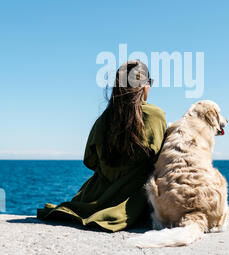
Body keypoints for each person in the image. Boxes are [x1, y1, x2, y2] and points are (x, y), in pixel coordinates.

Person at [37, 60, 167, 232]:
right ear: (143, 85)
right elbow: (163, 160)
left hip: (94, 196)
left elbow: (90, 161)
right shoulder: (154, 115)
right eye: (150, 82)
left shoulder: (103, 119)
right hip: (131, 201)